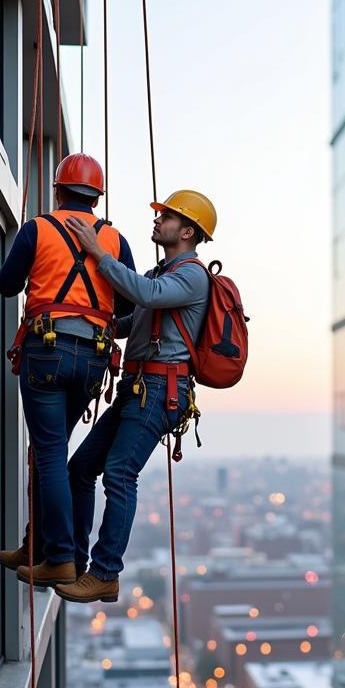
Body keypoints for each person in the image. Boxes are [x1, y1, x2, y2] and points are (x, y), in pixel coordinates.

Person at [57, 189, 215, 604]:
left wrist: (98, 254)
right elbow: (136, 319)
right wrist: (90, 320)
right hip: (139, 387)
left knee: (119, 474)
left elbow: (146, 296)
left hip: (160, 389)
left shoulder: (191, 275)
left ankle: (105, 573)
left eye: (166, 217)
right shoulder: (162, 273)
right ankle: (72, 561)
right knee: (80, 469)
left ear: (187, 230)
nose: (157, 221)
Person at [0, 153, 135, 587]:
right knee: (49, 452)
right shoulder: (114, 239)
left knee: (50, 453)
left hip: (47, 349)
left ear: (58, 190)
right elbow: (127, 303)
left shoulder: (38, 228)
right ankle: (38, 543)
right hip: (93, 359)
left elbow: (6, 285)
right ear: (97, 196)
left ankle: (57, 556)